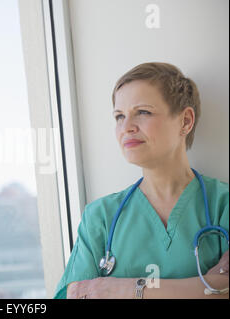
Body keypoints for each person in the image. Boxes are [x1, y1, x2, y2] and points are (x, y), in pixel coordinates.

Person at [54, 62, 229, 299]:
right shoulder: (100, 218)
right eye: (119, 116)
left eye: (143, 112)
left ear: (185, 121)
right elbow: (73, 295)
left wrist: (123, 288)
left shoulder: (223, 204)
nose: (126, 127)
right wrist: (207, 284)